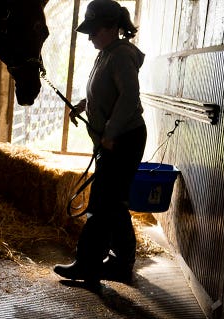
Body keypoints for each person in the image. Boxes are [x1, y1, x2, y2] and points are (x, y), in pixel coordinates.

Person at [53, 0, 147, 284]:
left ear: (110, 28)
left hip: (123, 139)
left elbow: (129, 97)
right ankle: (120, 263)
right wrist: (83, 105)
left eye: (94, 30)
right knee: (114, 203)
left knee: (102, 203)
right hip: (116, 138)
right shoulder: (106, 53)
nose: (90, 36)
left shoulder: (119, 55)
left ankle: (87, 264)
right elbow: (107, 91)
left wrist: (111, 132)